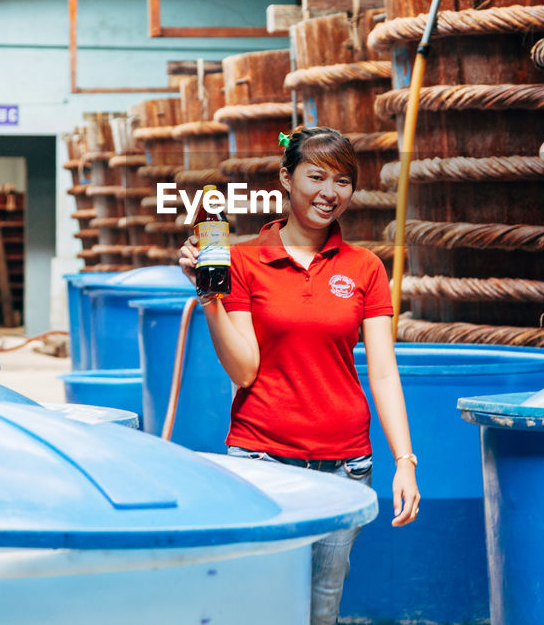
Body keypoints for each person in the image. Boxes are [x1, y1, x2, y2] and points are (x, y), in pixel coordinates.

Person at [178, 125, 420, 625]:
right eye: (316, 177)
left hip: (346, 466)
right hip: (263, 460)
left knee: (322, 608)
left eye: (343, 181)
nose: (330, 193)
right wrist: (209, 299)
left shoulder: (365, 268)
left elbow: (383, 372)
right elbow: (244, 371)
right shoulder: (242, 260)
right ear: (285, 179)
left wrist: (405, 460)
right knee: (261, 604)